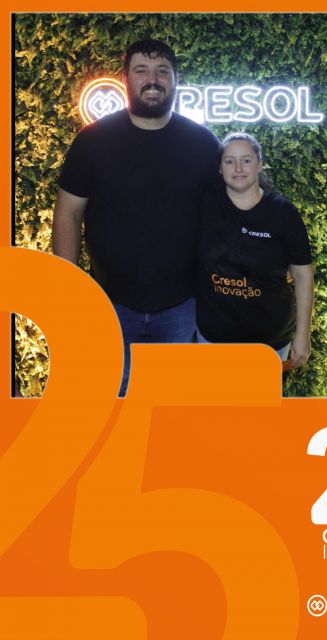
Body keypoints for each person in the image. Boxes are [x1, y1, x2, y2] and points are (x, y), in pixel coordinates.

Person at [52, 39, 220, 394]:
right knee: (113, 401)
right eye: (141, 70)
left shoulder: (203, 144)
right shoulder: (93, 141)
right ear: (125, 78)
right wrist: (69, 293)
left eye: (162, 71)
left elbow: (227, 214)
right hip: (109, 304)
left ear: (176, 80)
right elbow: (68, 213)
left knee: (168, 403)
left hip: (181, 306)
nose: (152, 80)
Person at [196, 132, 314, 369]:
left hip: (269, 342)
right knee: (214, 394)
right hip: (213, 338)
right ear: (220, 168)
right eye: (229, 161)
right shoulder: (205, 205)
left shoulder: (282, 212)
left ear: (259, 164)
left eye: (246, 160)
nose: (238, 168)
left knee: (260, 396)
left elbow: (303, 275)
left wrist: (303, 334)